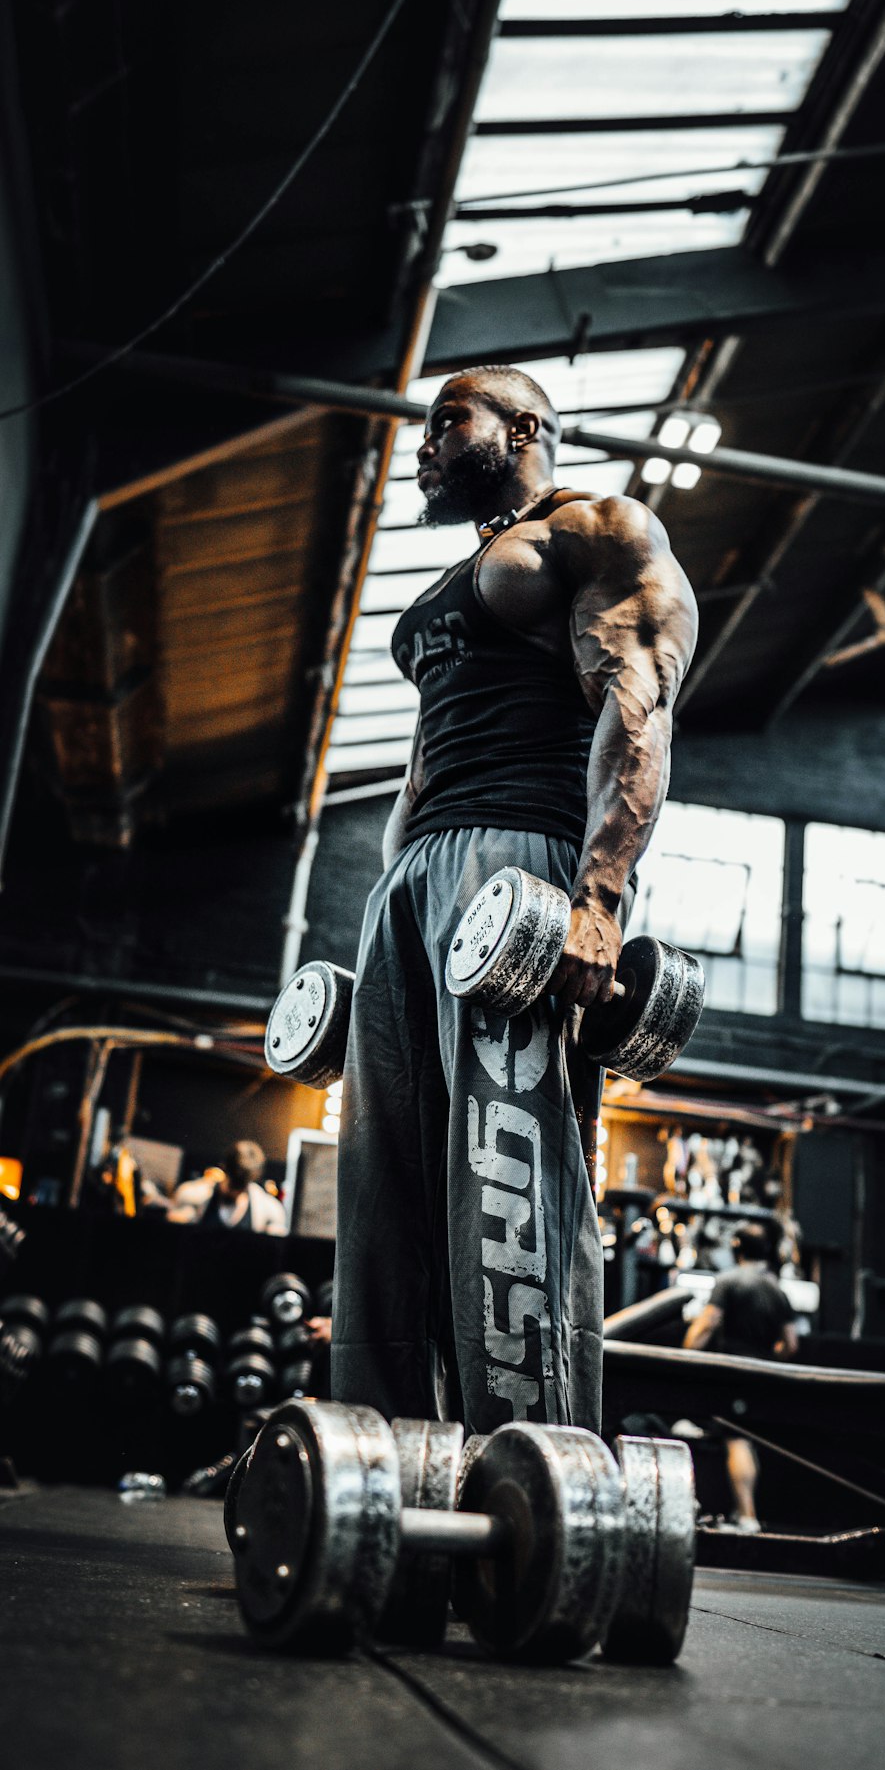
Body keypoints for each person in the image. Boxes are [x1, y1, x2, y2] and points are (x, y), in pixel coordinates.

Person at [329, 364, 697, 1436]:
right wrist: (383, 921)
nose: (425, 445)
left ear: (525, 426)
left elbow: (638, 713)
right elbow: (417, 771)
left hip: (517, 876)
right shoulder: (463, 577)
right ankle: (388, 1481)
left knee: (511, 1185)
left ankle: (528, 1486)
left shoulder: (597, 529)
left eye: (450, 421)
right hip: (414, 886)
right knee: (383, 1200)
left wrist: (598, 900)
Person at [684, 1221, 798, 1530]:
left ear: (737, 1249)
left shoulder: (729, 1281)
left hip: (732, 1374)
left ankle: (747, 1517)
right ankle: (740, 1512)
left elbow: (706, 1325)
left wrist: (683, 1357)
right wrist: (767, 1359)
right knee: (745, 1439)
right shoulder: (777, 1290)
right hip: (760, 1377)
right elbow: (790, 1344)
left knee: (737, 1440)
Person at [168, 1141, 287, 1234]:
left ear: (252, 1179)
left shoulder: (270, 1212)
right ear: (224, 1168)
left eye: (240, 1186)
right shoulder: (192, 1196)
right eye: (233, 1183)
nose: (234, 1191)